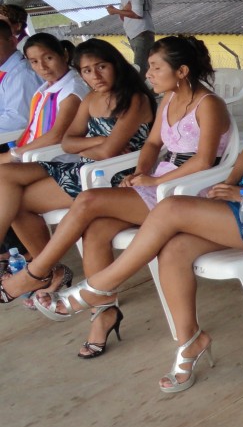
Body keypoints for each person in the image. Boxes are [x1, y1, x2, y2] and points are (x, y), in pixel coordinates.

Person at [31, 22, 243, 394]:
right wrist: (233, 184)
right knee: (173, 248)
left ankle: (98, 287)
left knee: (170, 209)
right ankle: (188, 340)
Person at [0, 36, 230, 357]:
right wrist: (143, 172)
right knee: (96, 228)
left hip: (191, 189)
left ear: (181, 71)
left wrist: (148, 178)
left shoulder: (209, 104)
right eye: (149, 67)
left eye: (155, 67)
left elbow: (204, 161)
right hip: (158, 180)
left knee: (88, 202)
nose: (148, 73)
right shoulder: (168, 100)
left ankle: (37, 272)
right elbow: (150, 146)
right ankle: (103, 314)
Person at [0, 39, 156, 303]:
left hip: (114, 174)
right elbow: (69, 142)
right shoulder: (91, 98)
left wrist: (90, 148)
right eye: (86, 70)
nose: (94, 75)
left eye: (101, 66)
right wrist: (96, 142)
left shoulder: (134, 99)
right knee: (7, 184)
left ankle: (44, 271)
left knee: (16, 197)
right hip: (82, 166)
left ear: (115, 65)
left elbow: (109, 153)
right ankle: (48, 269)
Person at [1, 32, 89, 166]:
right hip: (32, 154)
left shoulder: (72, 91)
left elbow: (56, 136)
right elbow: (31, 127)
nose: (42, 67)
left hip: (55, 160)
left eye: (48, 58)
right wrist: (15, 149)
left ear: (64, 55)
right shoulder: (44, 89)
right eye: (34, 62)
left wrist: (13, 155)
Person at [105, 0, 155, 73]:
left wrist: (115, 11)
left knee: (140, 69)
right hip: (135, 33)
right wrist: (123, 11)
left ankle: (138, 91)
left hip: (141, 33)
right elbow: (126, 15)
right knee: (146, 69)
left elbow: (138, 14)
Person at [0, 20, 40, 146]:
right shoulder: (6, 70)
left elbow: (17, 120)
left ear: (12, 42)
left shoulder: (22, 74)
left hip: (16, 144)